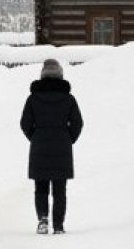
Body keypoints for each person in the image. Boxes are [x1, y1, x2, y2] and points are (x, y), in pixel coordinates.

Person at [20, 58, 83, 235]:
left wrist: (35, 137)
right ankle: (58, 226)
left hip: (39, 146)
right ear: (60, 75)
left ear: (42, 75)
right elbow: (78, 123)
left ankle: (42, 220)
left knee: (40, 188)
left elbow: (25, 123)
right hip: (62, 148)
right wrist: (68, 139)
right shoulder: (69, 99)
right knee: (59, 190)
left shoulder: (33, 98)